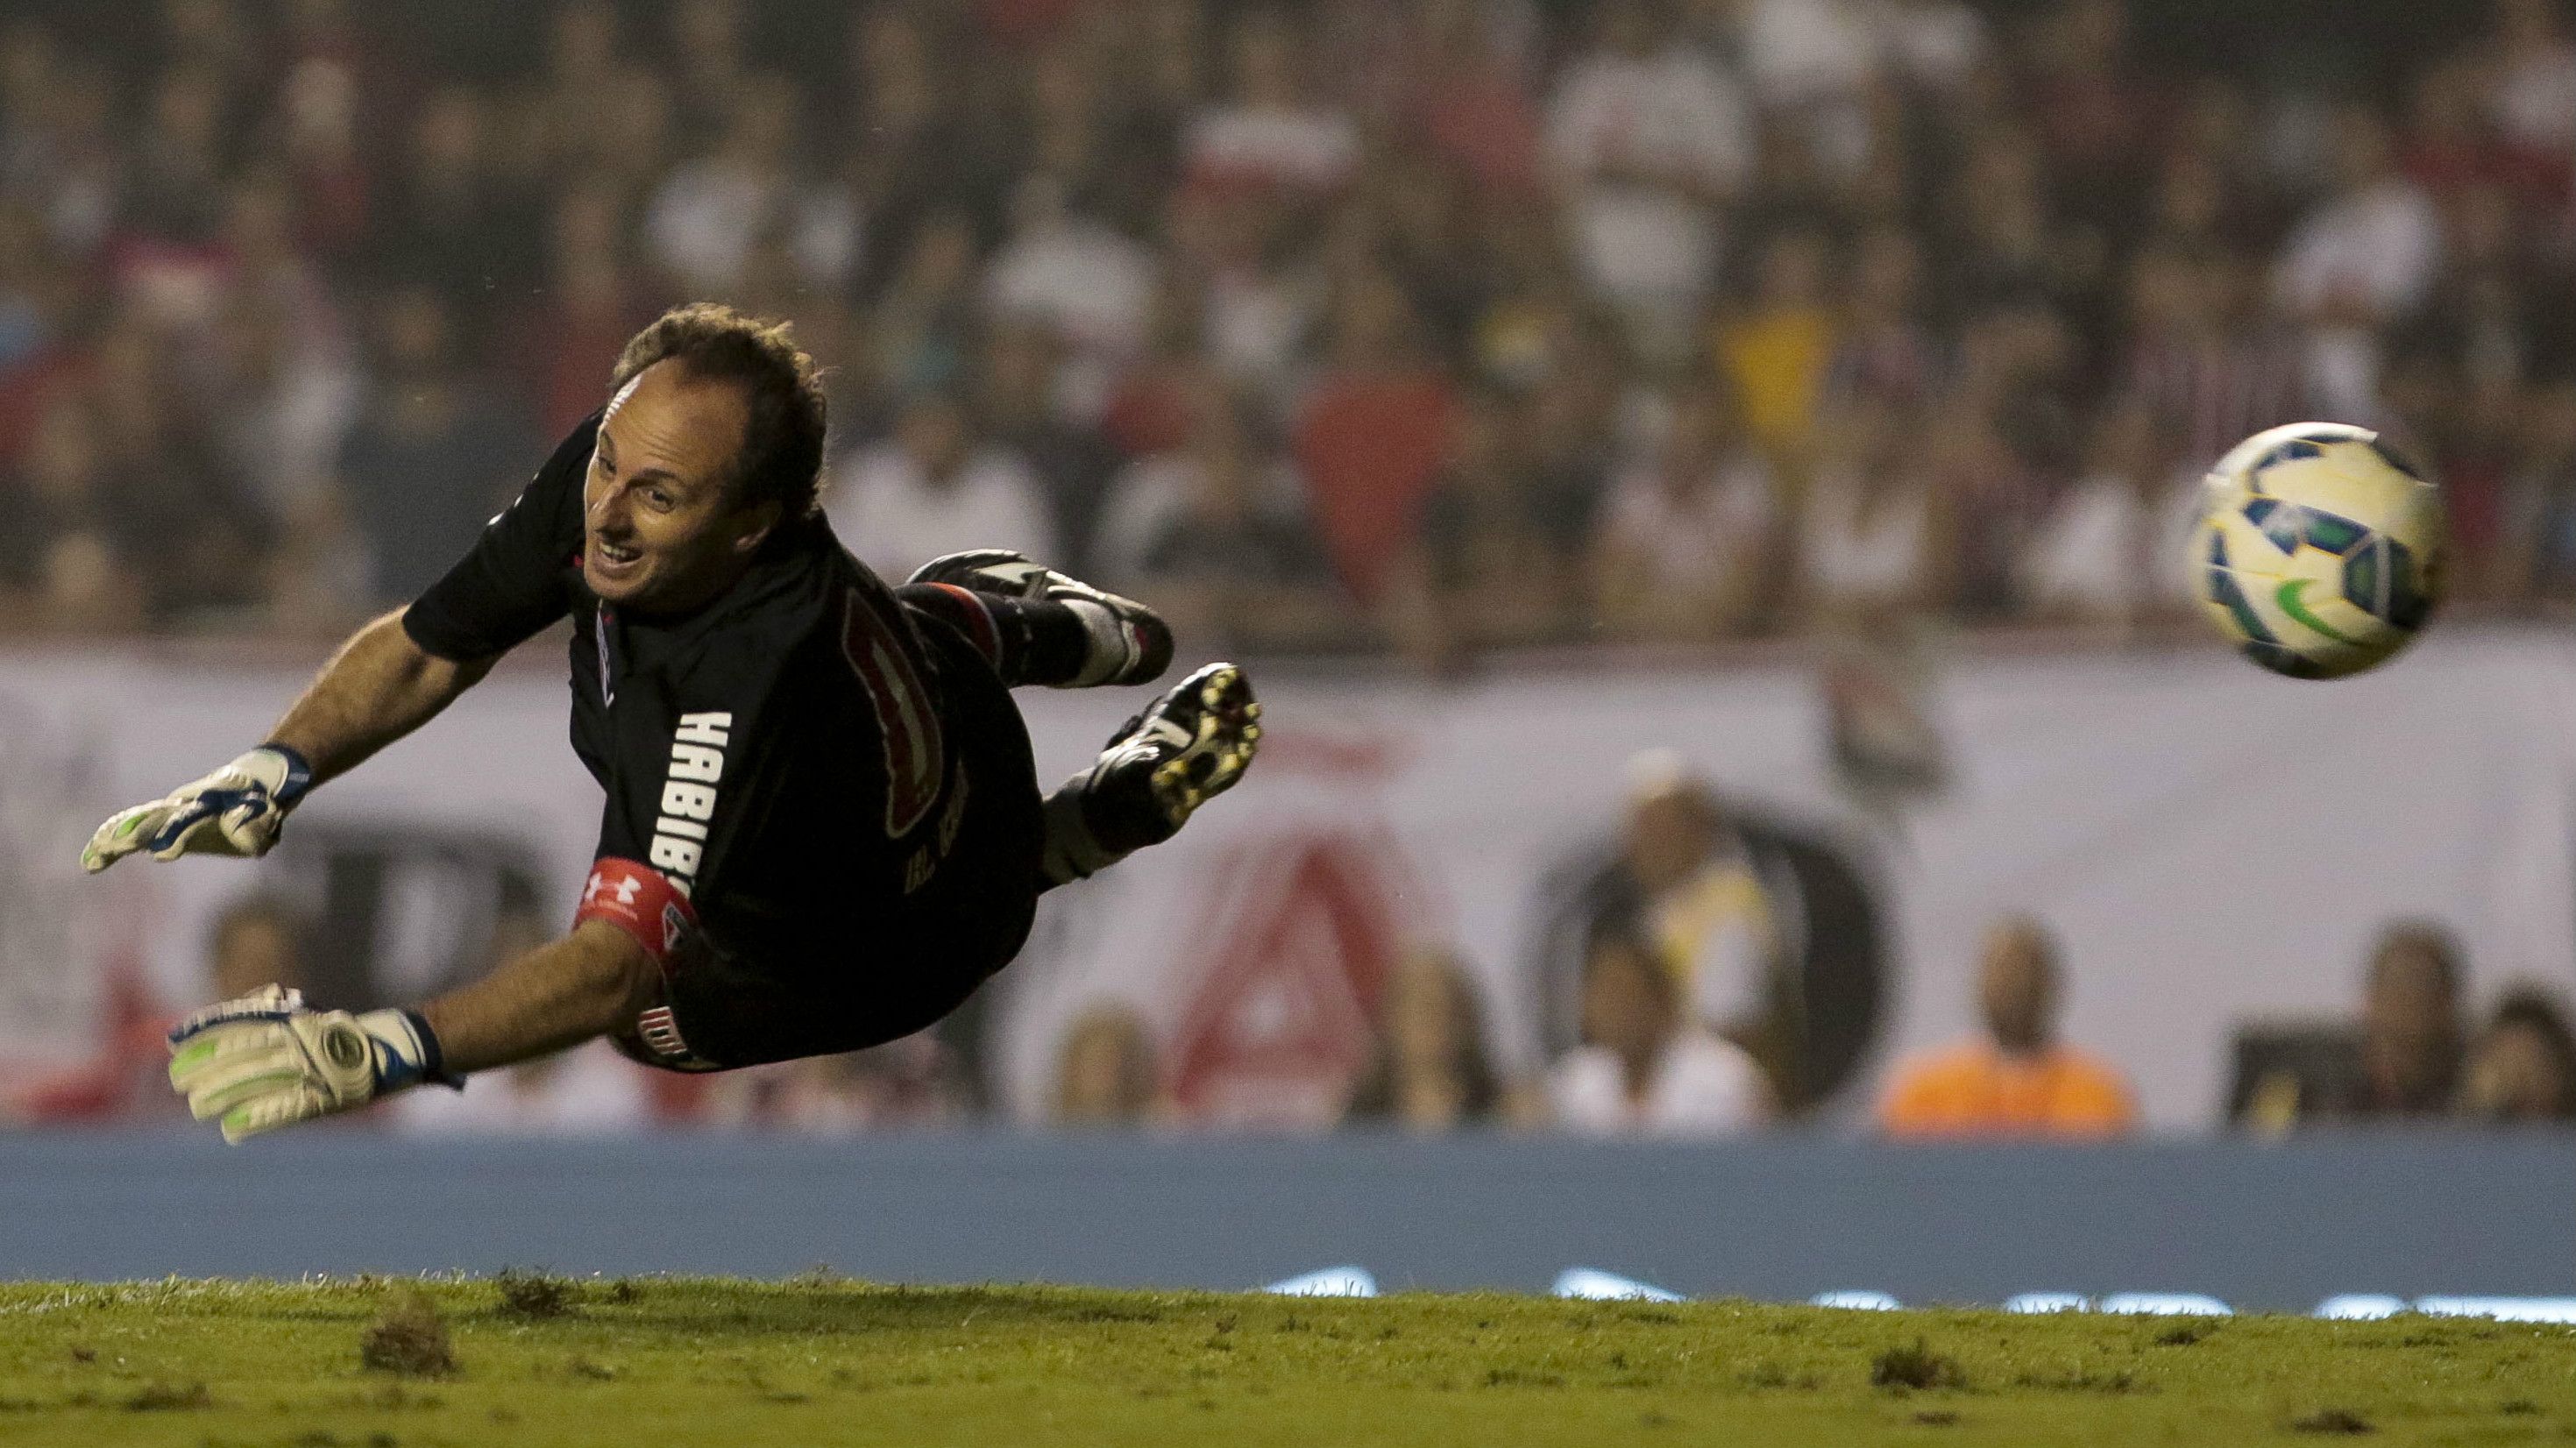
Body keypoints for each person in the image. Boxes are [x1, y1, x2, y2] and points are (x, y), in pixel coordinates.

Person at [83, 302, 1262, 1144]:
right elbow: (431, 642)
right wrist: (276, 765)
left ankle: (1082, 829)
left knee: (648, 1024)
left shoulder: (739, 683)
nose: (607, 515)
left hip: (914, 942)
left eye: (659, 496)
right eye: (607, 462)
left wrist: (380, 1048)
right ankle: (1032, 626)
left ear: (750, 526)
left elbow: (608, 971)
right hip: (932, 707)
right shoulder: (620, 475)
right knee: (920, 622)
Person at [1877, 916, 2137, 1139]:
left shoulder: (2097, 1095)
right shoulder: (1923, 1093)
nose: (2013, 986)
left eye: (2025, 971)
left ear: (2052, 986)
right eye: (2001, 972)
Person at [1546, 923, 1769, 1139]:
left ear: (1662, 1000)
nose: (1613, 1010)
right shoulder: (1576, 1083)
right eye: (1602, 996)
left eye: (1625, 994)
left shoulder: (1724, 1079)